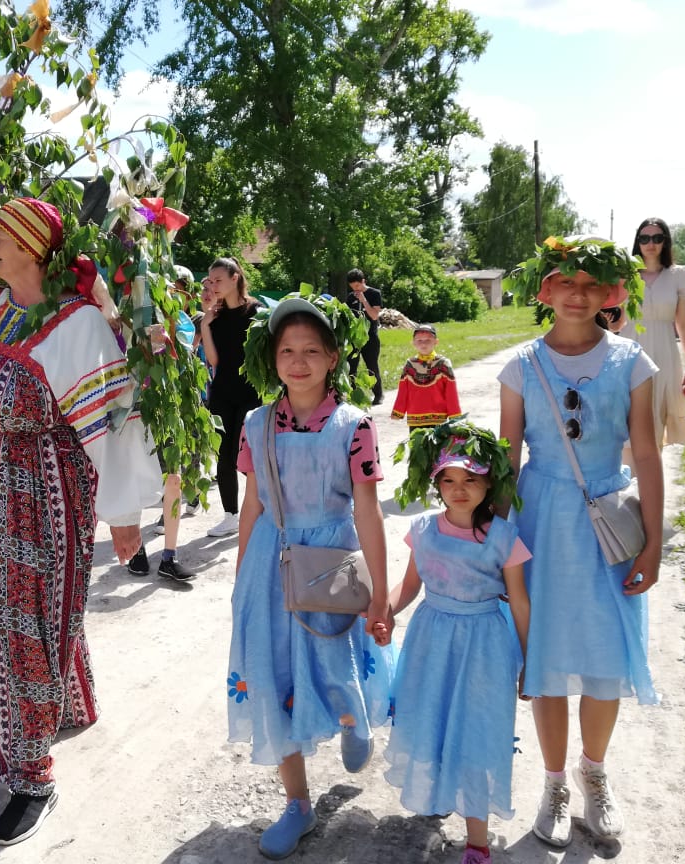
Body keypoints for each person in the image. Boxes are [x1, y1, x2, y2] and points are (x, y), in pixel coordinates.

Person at [0, 197, 160, 846]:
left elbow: (115, 426)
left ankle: (33, 777)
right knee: (2, 614)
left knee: (23, 624)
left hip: (38, 500)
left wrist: (124, 519)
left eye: (2, 237)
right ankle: (68, 707)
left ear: (34, 246)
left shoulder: (77, 326)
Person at [498, 236, 664, 848]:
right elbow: (508, 459)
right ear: (544, 291)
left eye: (591, 283)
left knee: (602, 658)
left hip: (609, 524)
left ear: (611, 294)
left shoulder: (632, 363)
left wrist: (652, 544)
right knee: (544, 655)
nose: (577, 293)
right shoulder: (520, 365)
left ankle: (594, 776)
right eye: (564, 282)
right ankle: (553, 784)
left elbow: (645, 453)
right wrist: (499, 543)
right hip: (541, 518)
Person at [227, 295, 394, 860]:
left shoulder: (353, 425)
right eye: (287, 351)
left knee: (332, 660)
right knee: (272, 676)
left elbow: (367, 510)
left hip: (330, 560)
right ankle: (298, 803)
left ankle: (354, 717)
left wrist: (380, 593)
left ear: (333, 358)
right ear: (271, 358)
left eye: (311, 352)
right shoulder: (255, 423)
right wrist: (241, 582)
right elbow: (252, 504)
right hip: (270, 564)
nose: (298, 363)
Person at [378, 421, 530, 864]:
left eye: (470, 479)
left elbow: (519, 603)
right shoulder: (422, 530)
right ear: (436, 482)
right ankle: (439, 792)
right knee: (433, 718)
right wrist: (385, 612)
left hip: (483, 648)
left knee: (476, 733)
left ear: (488, 483)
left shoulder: (504, 538)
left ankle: (478, 841)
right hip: (430, 643)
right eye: (449, 479)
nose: (459, 489)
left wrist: (529, 660)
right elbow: (409, 586)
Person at [128, 267, 200, 582]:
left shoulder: (182, 322)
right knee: (134, 481)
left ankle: (169, 556)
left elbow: (179, 358)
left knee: (173, 479)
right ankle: (136, 550)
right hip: (134, 411)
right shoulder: (128, 319)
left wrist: (164, 326)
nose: (171, 293)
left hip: (168, 409)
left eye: (176, 290)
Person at [199, 257, 264, 538]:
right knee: (223, 457)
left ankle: (260, 509)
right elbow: (214, 361)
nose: (213, 286)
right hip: (222, 393)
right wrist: (205, 325)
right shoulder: (215, 316)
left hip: (251, 394)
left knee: (247, 457)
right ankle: (230, 515)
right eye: (210, 281)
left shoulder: (257, 312)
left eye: (218, 280)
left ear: (235, 277)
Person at [627, 218, 685, 450]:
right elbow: (614, 320)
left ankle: (648, 481)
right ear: (638, 242)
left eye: (657, 238)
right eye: (645, 238)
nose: (651, 243)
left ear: (665, 242)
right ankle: (625, 477)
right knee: (624, 419)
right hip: (628, 352)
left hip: (664, 354)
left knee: (656, 419)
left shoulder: (679, 275)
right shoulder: (625, 274)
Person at [390, 324, 462, 430]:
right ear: (413, 343)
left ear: (436, 342)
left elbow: (451, 392)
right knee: (417, 445)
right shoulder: (410, 364)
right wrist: (398, 411)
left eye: (428, 340)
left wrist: (454, 415)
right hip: (415, 417)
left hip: (438, 418)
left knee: (437, 445)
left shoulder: (443, 363)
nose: (423, 344)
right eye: (419, 341)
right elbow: (403, 390)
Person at [345, 268, 384, 405]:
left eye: (357, 286)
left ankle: (378, 395)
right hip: (355, 338)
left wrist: (364, 300)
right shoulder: (350, 297)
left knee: (371, 367)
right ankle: (354, 396)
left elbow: (374, 315)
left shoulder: (374, 294)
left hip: (370, 337)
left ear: (363, 281)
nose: (356, 289)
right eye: (352, 287)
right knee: (351, 367)